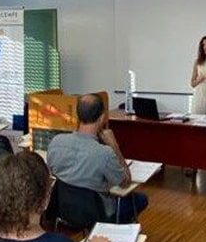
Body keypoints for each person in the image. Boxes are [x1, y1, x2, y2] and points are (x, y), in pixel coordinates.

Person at [47, 94, 148, 223]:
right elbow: (125, 183)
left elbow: (52, 172)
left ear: (78, 115)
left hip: (62, 210)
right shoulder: (105, 153)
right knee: (140, 199)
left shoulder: (56, 141)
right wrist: (114, 146)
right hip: (97, 214)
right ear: (101, 118)